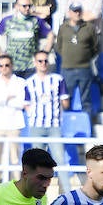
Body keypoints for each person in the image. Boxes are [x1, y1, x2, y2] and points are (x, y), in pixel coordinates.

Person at [23, 50, 70, 186]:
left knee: (60, 160)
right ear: (35, 63)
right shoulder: (29, 82)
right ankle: (35, 194)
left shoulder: (58, 79)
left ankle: (66, 193)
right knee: (37, 164)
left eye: (45, 61)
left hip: (54, 125)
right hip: (36, 125)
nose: (43, 64)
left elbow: (65, 102)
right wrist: (33, 113)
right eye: (40, 61)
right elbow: (26, 104)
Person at [0, 55, 27, 183]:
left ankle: (17, 189)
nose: (3, 68)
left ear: (11, 66)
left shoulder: (20, 82)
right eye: (1, 65)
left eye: (6, 65)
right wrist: (8, 97)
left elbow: (21, 103)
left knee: (15, 159)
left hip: (14, 125)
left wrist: (2, 100)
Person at [0, 0, 54, 74]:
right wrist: (0, 52)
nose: (27, 8)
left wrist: (45, 52)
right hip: (13, 65)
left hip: (31, 66)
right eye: (24, 6)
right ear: (17, 6)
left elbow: (50, 34)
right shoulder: (8, 21)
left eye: (29, 6)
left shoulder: (36, 20)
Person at [57, 2, 99, 118]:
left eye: (79, 11)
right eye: (74, 11)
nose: (77, 13)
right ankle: (66, 125)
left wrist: (85, 57)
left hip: (84, 68)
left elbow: (95, 47)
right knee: (66, 99)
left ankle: (87, 125)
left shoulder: (89, 28)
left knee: (86, 99)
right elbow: (59, 46)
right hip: (67, 69)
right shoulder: (63, 28)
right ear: (69, 12)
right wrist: (67, 57)